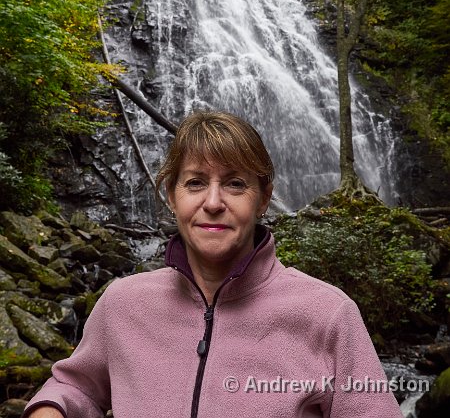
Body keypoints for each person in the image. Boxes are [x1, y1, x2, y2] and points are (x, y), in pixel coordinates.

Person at [23, 111, 403, 418]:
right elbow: (77, 385)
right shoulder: (123, 303)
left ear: (263, 198)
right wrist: (50, 408)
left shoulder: (327, 315)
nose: (214, 202)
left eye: (235, 184)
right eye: (195, 183)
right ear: (171, 195)